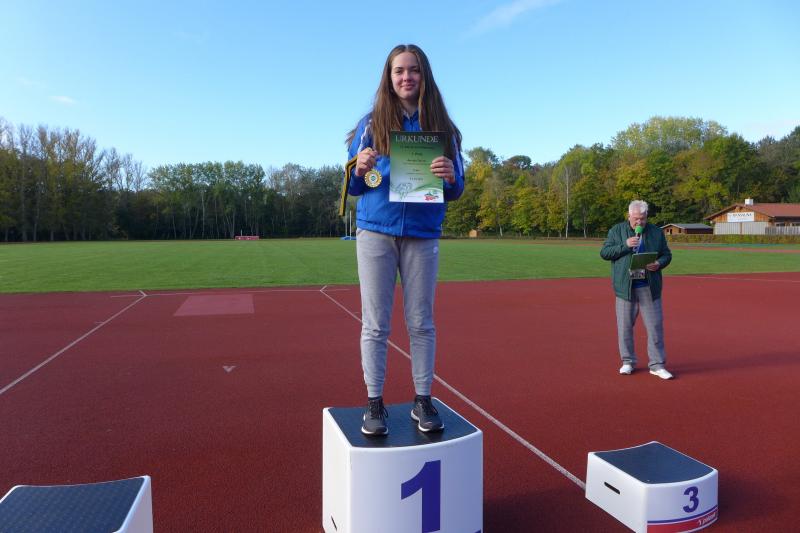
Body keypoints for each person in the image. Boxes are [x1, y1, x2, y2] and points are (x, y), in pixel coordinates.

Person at [345, 44, 465, 435]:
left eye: (413, 70)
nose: (406, 77)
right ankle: (374, 403)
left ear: (423, 75)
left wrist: (450, 176)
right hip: (376, 231)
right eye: (399, 71)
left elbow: (456, 188)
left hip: (422, 234)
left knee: (421, 322)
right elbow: (356, 185)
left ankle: (422, 399)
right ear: (389, 77)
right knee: (375, 324)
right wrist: (361, 169)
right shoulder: (370, 124)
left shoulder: (443, 128)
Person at [600, 200, 674, 379]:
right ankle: (628, 362)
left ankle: (657, 365)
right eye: (635, 219)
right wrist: (625, 245)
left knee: (655, 327)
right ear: (629, 216)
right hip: (625, 287)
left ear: (647, 217)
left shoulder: (656, 232)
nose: (639, 222)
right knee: (625, 327)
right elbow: (605, 253)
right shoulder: (616, 231)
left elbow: (666, 254)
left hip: (649, 286)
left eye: (642, 218)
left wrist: (659, 263)